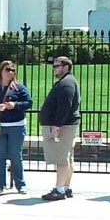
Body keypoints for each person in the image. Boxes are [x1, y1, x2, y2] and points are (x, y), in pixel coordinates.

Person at [38, 56, 81, 201]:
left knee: (61, 159)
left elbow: (65, 106)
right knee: (67, 157)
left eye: (56, 65)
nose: (54, 68)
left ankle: (59, 190)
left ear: (66, 67)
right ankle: (65, 187)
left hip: (64, 126)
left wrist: (57, 124)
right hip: (67, 124)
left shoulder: (67, 84)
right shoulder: (66, 82)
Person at [0, 61, 32, 194]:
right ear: (1, 71)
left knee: (15, 155)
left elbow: (28, 102)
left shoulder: (19, 87)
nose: (10, 72)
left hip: (16, 125)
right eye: (7, 69)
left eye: (12, 70)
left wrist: (15, 105)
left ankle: (21, 184)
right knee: (0, 156)